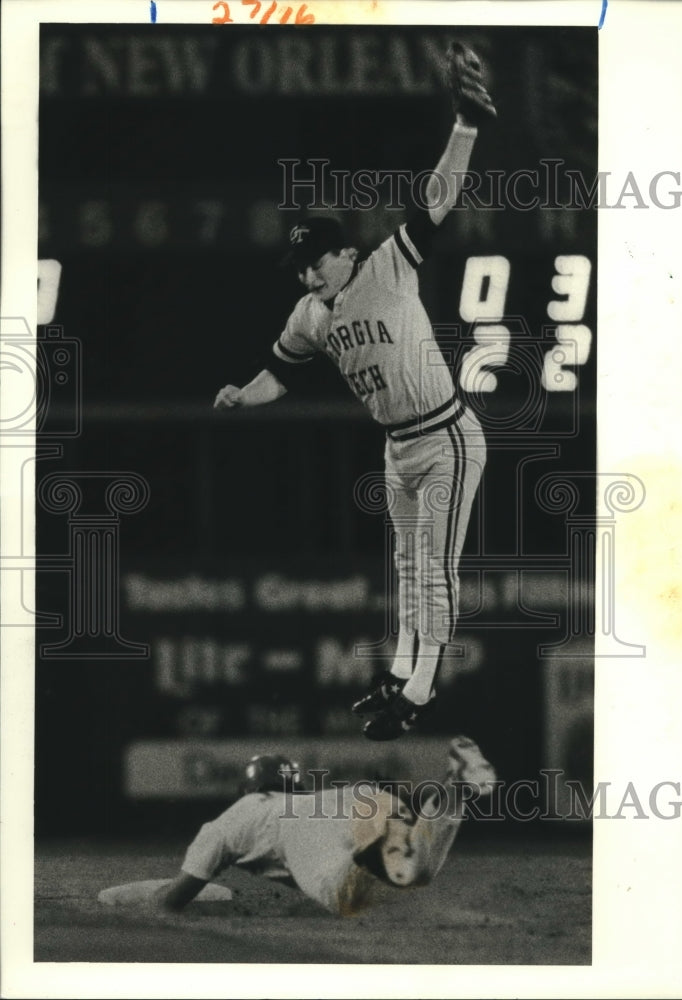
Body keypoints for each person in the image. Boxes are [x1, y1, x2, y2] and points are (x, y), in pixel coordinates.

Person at [214, 45, 497, 740]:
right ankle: (402, 672)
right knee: (404, 564)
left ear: (342, 254)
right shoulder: (309, 314)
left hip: (447, 434)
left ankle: (422, 689)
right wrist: (243, 396)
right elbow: (280, 371)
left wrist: (464, 127)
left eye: (315, 261)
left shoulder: (383, 270)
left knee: (433, 567)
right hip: (398, 445)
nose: (307, 275)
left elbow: (436, 201)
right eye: (299, 266)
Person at [98, 738, 497, 917]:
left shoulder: (233, 817)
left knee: (358, 896)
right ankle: (452, 791)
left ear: (249, 787)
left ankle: (450, 794)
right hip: (361, 803)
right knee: (415, 871)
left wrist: (120, 901)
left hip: (319, 845)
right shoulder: (313, 796)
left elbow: (172, 900)